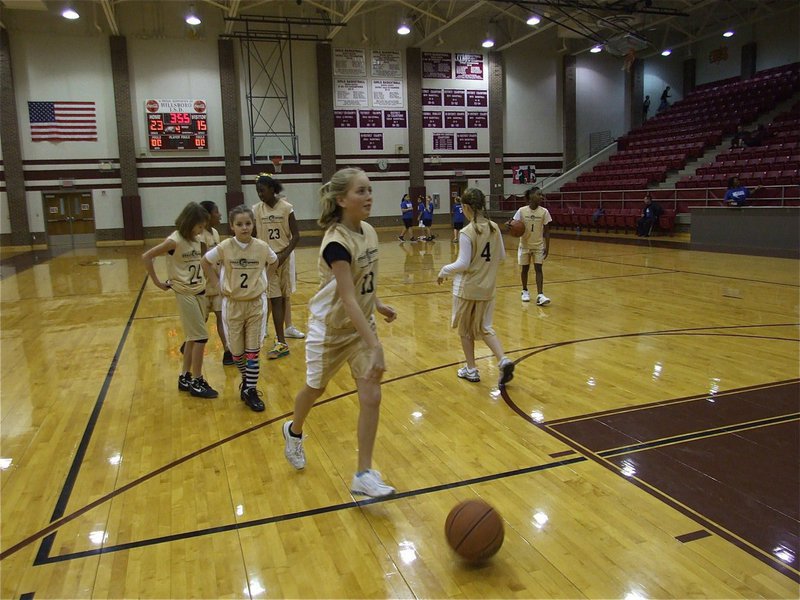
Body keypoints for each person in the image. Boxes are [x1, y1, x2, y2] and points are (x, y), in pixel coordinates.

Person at [282, 167, 398, 498]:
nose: (369, 196)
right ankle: (293, 430)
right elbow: (346, 298)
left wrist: (377, 304)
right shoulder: (336, 242)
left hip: (360, 327)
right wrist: (376, 346)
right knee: (314, 389)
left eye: (369, 189)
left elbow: (362, 284)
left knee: (372, 396)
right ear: (341, 199)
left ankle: (363, 473)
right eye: (360, 191)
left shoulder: (370, 232)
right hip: (330, 329)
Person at [201, 205, 278, 412]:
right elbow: (205, 262)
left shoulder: (261, 246)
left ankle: (250, 390)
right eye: (239, 224)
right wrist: (217, 285)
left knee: (252, 352)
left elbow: (274, 261)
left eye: (248, 223)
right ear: (232, 226)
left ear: (253, 225)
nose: (244, 228)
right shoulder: (225, 246)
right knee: (236, 354)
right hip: (232, 304)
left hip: (255, 305)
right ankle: (247, 379)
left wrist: (265, 282)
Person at [437, 188, 515, 388]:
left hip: (467, 288)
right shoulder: (495, 228)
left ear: (466, 207)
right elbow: (502, 257)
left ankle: (471, 369)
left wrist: (444, 270)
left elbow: (462, 263)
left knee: (465, 331)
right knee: (485, 327)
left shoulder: (467, 232)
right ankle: (503, 360)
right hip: (488, 288)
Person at [141, 202, 218, 399]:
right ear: (189, 222)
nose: (202, 230)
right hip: (185, 292)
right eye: (199, 226)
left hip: (199, 290)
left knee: (192, 336)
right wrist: (158, 283)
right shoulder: (173, 240)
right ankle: (198, 380)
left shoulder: (196, 239)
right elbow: (147, 256)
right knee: (201, 336)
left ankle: (185, 376)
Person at [252, 173, 302, 359]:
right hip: (268, 261)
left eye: (262, 190)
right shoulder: (257, 210)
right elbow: (254, 236)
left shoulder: (286, 208)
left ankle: (281, 340)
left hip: (284, 258)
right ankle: (280, 341)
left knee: (283, 298)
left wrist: (283, 255)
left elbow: (296, 236)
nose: (259, 194)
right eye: (257, 191)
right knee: (274, 299)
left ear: (272, 189)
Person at [198, 200, 233, 366]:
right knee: (200, 321)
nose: (220, 214)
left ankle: (227, 352)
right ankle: (190, 345)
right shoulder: (200, 236)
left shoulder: (215, 232)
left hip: (217, 283)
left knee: (222, 317)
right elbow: (205, 262)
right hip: (204, 285)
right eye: (216, 211)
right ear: (207, 216)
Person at [508, 187, 552, 306]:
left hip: (538, 245)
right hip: (525, 245)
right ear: (531, 196)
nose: (541, 197)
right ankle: (524, 290)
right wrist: (510, 225)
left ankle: (540, 295)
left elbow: (547, 231)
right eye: (539, 194)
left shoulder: (544, 212)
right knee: (525, 269)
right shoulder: (521, 211)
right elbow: (512, 223)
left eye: (542, 195)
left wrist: (547, 247)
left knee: (539, 269)